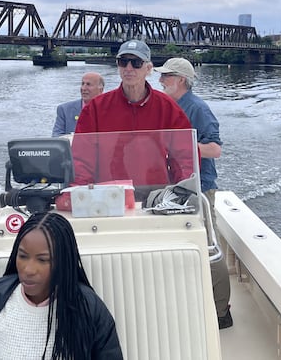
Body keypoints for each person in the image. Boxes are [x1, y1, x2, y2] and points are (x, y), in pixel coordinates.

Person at [0, 212, 123, 359]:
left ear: (62, 263)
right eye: (23, 256)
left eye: (42, 260)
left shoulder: (90, 309)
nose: (28, 270)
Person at [156, 57, 233, 329]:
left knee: (207, 244)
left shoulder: (198, 108)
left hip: (200, 186)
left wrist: (182, 145)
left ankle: (222, 311)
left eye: (166, 76)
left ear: (181, 80)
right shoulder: (166, 106)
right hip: (174, 186)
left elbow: (215, 149)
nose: (161, 80)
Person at [72, 40, 193, 192]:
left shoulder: (168, 107)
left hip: (156, 195)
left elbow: (185, 156)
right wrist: (80, 192)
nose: (128, 68)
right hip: (109, 195)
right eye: (123, 62)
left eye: (136, 63)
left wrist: (182, 190)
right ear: (118, 66)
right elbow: (81, 158)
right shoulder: (96, 108)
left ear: (148, 68)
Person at [52, 72, 105, 136]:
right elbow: (56, 137)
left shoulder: (111, 110)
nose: (83, 88)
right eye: (82, 84)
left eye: (88, 84)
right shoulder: (64, 110)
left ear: (101, 90)